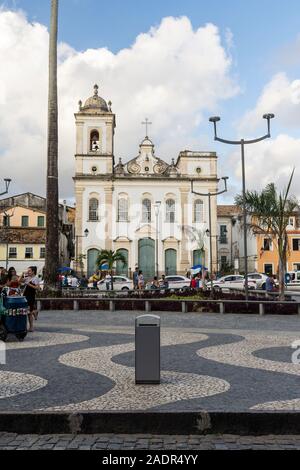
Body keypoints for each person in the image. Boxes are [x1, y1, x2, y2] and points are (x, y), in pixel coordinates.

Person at [20, 266, 40, 332]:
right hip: (25, 295)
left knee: (29, 313)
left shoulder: (36, 278)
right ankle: (35, 312)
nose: (28, 272)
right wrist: (22, 274)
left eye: (29, 271)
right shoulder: (27, 277)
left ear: (33, 271)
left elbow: (37, 288)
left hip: (31, 296)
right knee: (27, 311)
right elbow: (19, 281)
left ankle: (31, 327)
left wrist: (29, 284)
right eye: (27, 270)